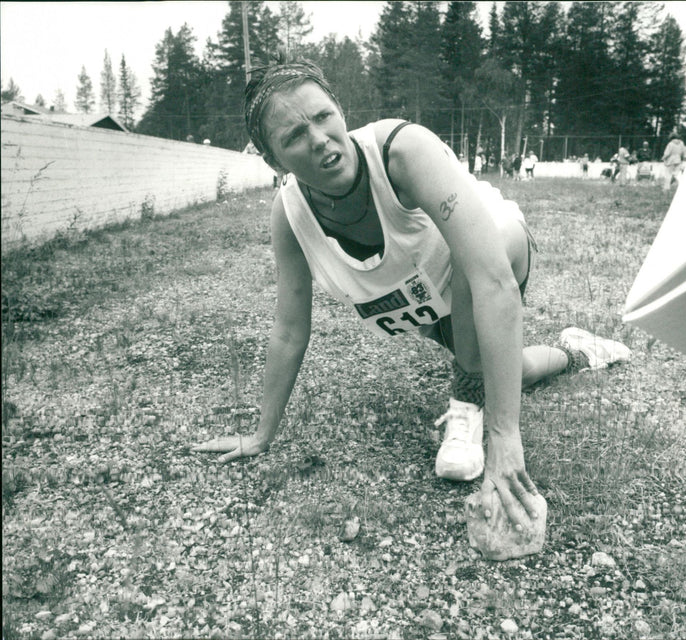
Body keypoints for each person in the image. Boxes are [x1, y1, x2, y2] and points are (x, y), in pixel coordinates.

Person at [193, 57, 631, 530]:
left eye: (323, 117)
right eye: (295, 137)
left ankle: (466, 407)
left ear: (340, 110)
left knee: (480, 358)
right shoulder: (291, 215)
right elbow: (289, 330)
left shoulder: (400, 151)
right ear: (275, 160)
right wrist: (262, 434)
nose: (320, 141)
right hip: (434, 302)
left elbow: (492, 280)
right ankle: (577, 351)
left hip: (490, 257)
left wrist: (504, 435)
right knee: (511, 370)